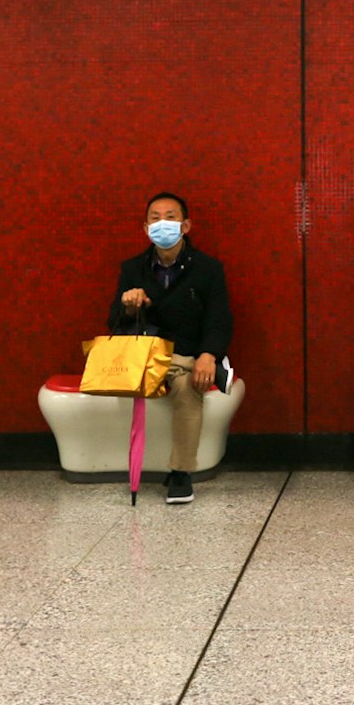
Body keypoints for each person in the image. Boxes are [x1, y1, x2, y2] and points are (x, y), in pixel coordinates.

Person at [106, 192, 234, 505]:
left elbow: (219, 320)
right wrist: (129, 306)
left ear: (186, 225)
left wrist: (208, 355)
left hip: (189, 353)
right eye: (155, 217)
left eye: (171, 217)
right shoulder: (133, 269)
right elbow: (113, 324)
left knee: (189, 385)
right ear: (145, 228)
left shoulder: (208, 269)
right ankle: (201, 368)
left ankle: (180, 473)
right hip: (144, 358)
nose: (163, 223)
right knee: (181, 368)